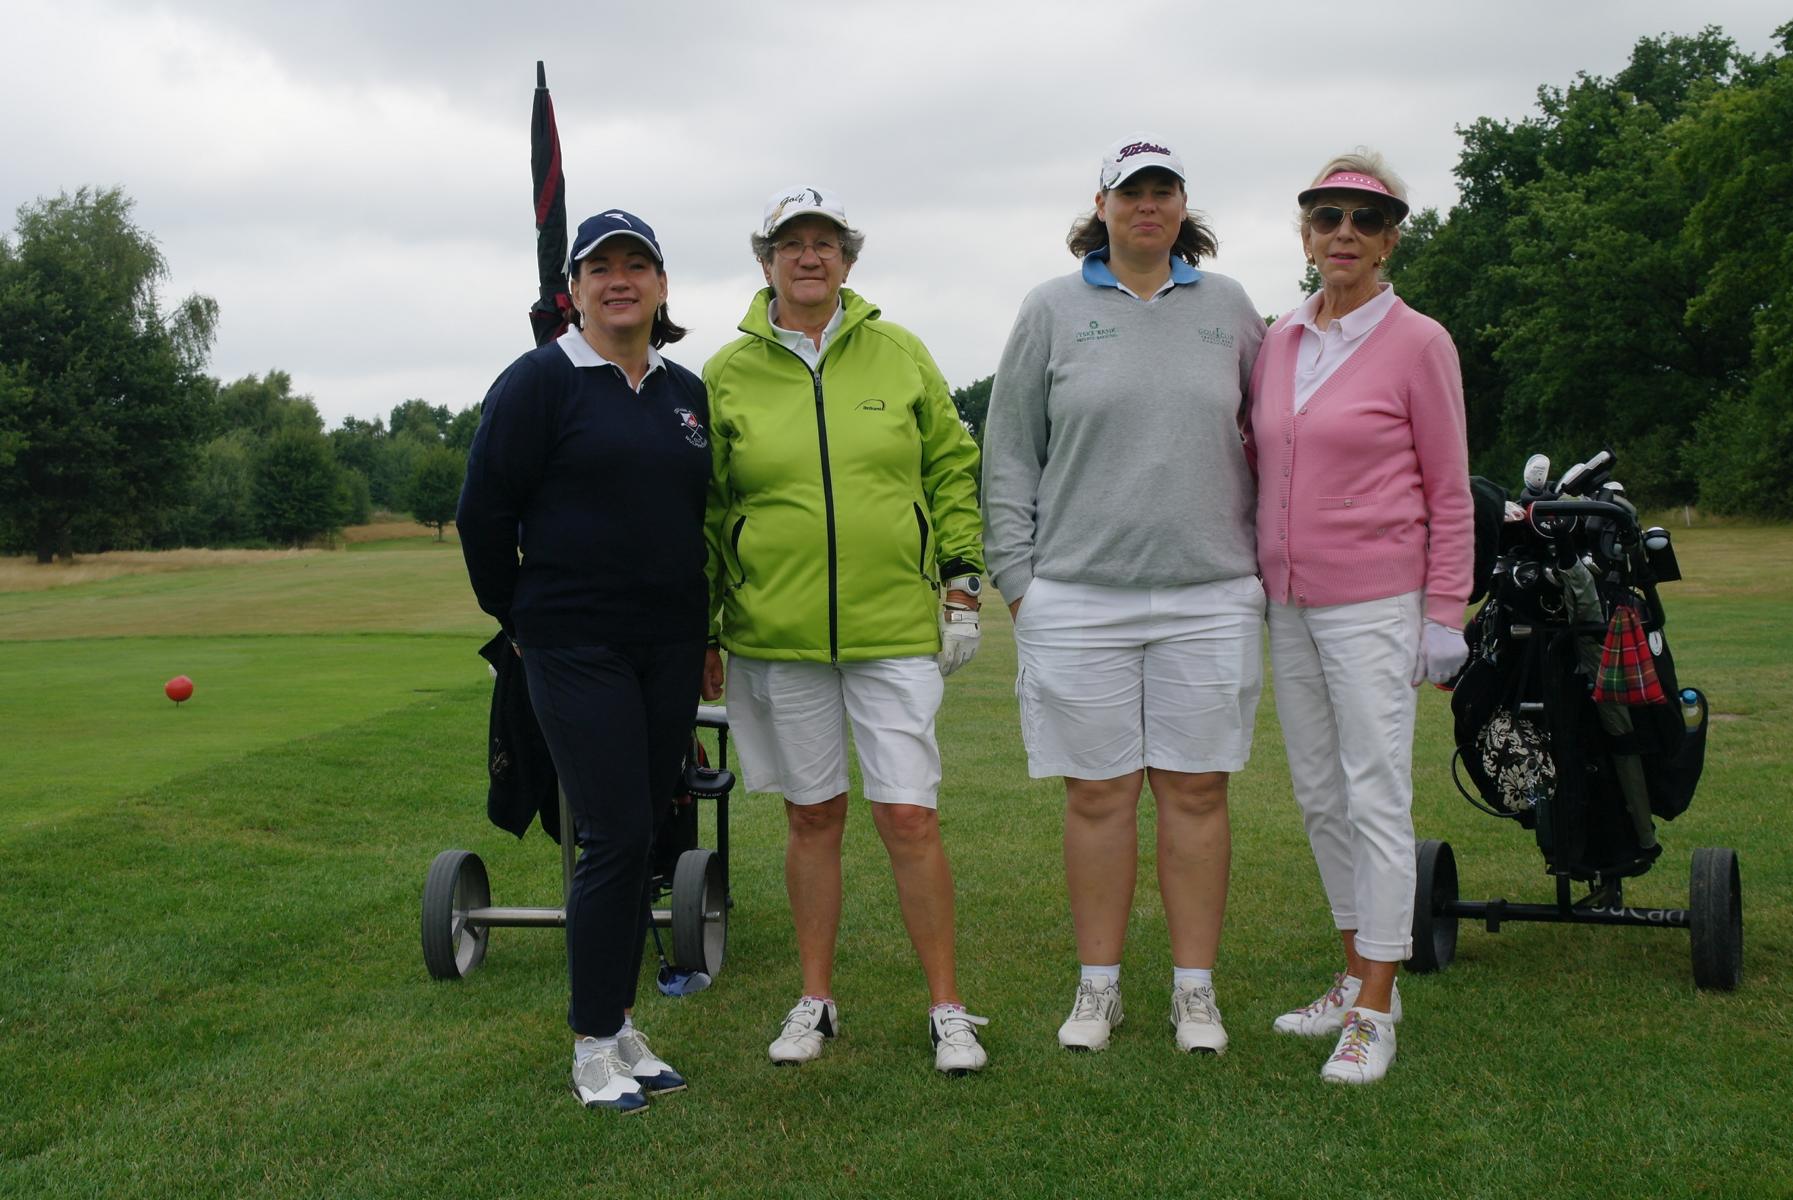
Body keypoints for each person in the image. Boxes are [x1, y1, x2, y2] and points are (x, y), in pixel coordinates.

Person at [982, 134, 1266, 1056]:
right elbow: (1009, 451)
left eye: (1163, 190)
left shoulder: (1229, 307)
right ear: (1100, 206)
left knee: (1197, 791)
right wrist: (1020, 585)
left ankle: (1195, 993)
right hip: (1076, 595)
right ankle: (1097, 987)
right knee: (1098, 796)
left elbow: (1271, 439)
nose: (1147, 205)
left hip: (1209, 591)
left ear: (1183, 206)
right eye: (1130, 191)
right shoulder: (1051, 308)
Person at [701, 185, 990, 1076]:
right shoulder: (725, 372)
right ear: (766, 262)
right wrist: (704, 624)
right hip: (775, 632)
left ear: (848, 260)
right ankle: (815, 999)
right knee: (812, 815)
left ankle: (947, 1006)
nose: (809, 256)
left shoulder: (899, 352)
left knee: (908, 816)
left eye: (825, 242)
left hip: (892, 630)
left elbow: (950, 467)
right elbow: (707, 508)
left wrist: (962, 583)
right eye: (791, 243)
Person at [458, 210, 717, 1114]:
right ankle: (592, 1043)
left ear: (661, 286)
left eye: (636, 265)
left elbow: (692, 521)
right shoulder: (538, 381)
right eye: (600, 267)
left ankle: (621, 1023)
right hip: (573, 641)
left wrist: (704, 634)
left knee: (642, 832)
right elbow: (483, 514)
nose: (619, 280)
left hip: (668, 642)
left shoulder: (686, 392)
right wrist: (520, 617)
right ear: (572, 290)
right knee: (611, 833)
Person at [1246, 151, 1473, 1084]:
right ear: (1306, 235)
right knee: (1318, 794)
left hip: (1376, 601)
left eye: (1365, 219)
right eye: (1326, 216)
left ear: (1389, 242)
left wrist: (1444, 611)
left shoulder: (1419, 342)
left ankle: (1377, 1006)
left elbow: (1449, 489)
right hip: (1288, 602)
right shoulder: (1280, 340)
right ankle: (1353, 973)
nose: (1344, 233)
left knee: (1374, 793)